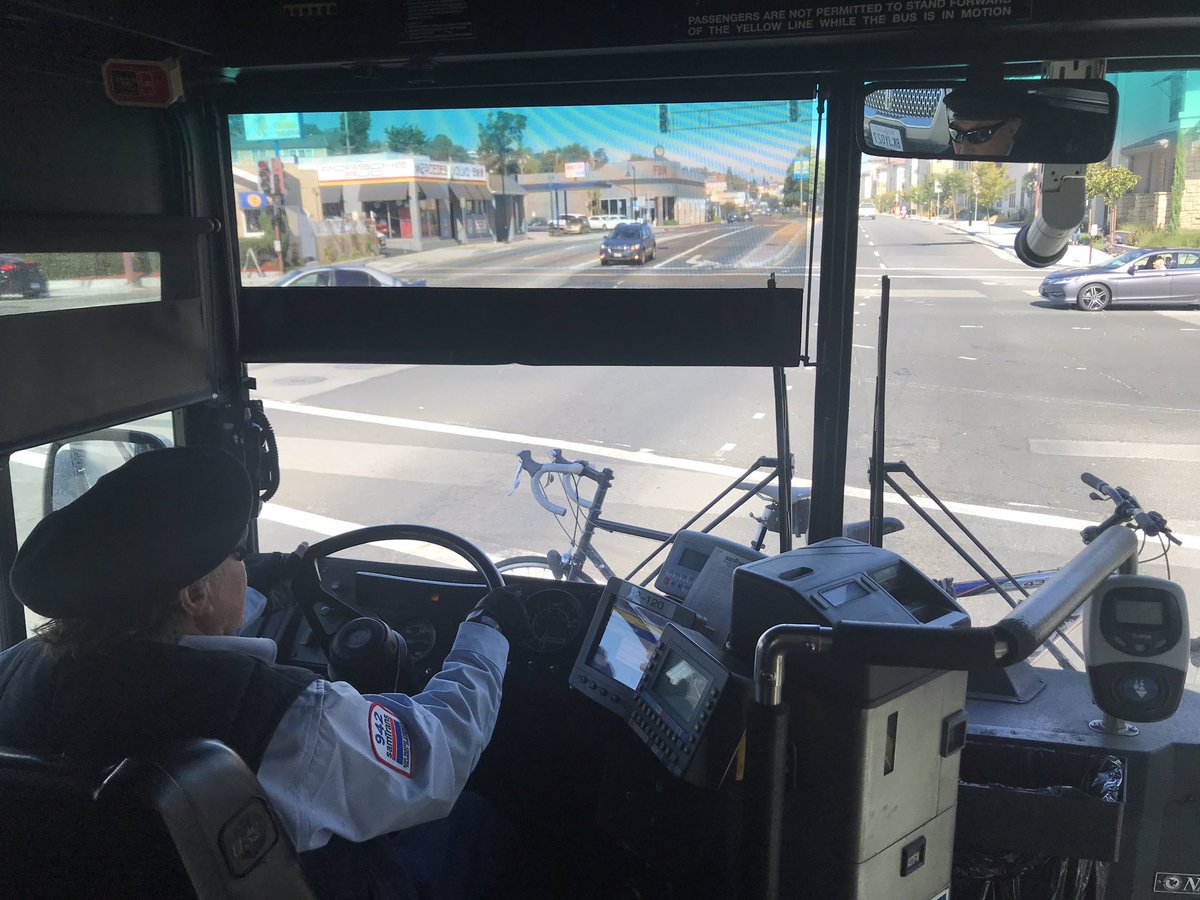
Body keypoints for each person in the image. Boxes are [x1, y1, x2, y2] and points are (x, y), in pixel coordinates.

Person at [0, 445, 529, 899]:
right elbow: (439, 755)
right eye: (236, 556)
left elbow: (167, 641)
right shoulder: (284, 715)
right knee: (471, 819)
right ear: (195, 593)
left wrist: (258, 586)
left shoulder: (15, 670)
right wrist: (487, 636)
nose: (245, 564)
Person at [942, 86, 1026, 157]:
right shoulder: (946, 156)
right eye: (958, 133)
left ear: (1012, 128)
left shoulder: (1032, 155)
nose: (964, 151)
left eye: (980, 135)